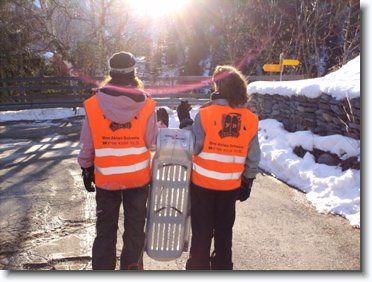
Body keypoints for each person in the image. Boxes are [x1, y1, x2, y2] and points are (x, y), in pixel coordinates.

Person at [78, 51, 168, 270]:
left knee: (105, 231)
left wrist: (86, 169)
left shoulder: (93, 103)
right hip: (137, 180)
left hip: (106, 179)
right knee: (135, 230)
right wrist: (162, 126)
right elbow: (152, 143)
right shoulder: (146, 105)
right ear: (133, 73)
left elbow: (87, 144)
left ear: (111, 73)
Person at [177, 65, 261, 270]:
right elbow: (254, 156)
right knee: (224, 233)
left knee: (202, 233)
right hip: (230, 188)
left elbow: (193, 148)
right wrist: (247, 182)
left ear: (218, 87)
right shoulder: (249, 119)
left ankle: (197, 268)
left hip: (202, 186)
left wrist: (185, 121)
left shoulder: (205, 114)